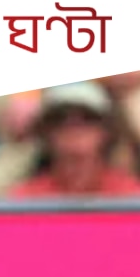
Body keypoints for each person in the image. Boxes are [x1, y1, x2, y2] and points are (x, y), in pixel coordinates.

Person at [7, 82, 140, 200]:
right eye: (60, 119)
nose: (74, 127)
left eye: (87, 118)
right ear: (45, 132)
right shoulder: (25, 199)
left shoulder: (130, 195)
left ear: (106, 130)